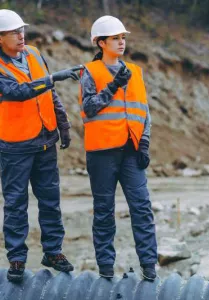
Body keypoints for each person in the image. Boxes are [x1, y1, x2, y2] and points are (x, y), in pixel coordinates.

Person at [0, 9, 79, 282]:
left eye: (22, 31)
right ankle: (17, 258)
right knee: (15, 204)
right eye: (13, 32)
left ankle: (53, 251)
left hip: (45, 140)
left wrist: (63, 123)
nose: (21, 36)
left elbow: (49, 93)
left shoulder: (33, 54)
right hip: (15, 147)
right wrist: (53, 77)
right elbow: (17, 92)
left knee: (50, 201)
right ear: (0, 38)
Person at [79, 15, 158, 281]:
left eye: (123, 37)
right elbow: (88, 108)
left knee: (142, 207)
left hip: (131, 152)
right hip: (101, 154)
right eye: (115, 38)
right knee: (104, 212)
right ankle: (106, 270)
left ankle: (149, 267)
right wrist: (114, 85)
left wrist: (144, 142)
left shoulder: (135, 71)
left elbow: (143, 111)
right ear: (101, 43)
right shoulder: (90, 72)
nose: (121, 42)